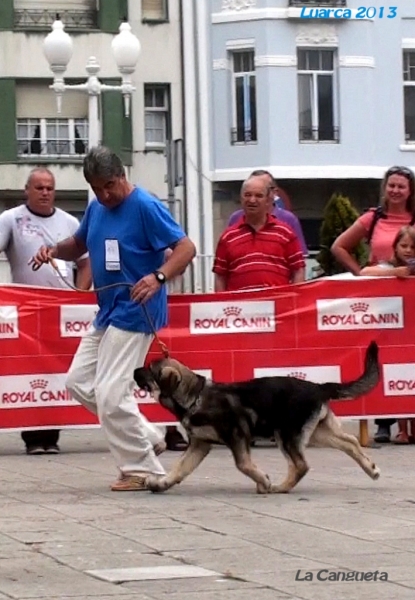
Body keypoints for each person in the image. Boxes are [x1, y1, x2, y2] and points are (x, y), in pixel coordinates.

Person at [31, 147, 196, 491]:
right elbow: (78, 244)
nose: (104, 194)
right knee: (78, 381)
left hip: (138, 311)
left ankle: (143, 469)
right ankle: (148, 436)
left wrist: (158, 278)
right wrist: (53, 250)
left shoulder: (146, 206)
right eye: (96, 188)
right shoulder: (97, 208)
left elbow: (186, 248)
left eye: (109, 185)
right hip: (108, 310)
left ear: (122, 176)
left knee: (110, 391)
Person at [0, 167, 92, 455]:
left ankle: (51, 435)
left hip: (61, 310)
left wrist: (80, 294)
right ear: (27, 190)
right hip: (26, 311)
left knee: (57, 372)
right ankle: (33, 437)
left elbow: (86, 262)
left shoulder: (68, 222)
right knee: (30, 371)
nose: (44, 192)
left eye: (49, 188)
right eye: (38, 187)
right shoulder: (10, 219)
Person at [331, 165, 415, 443]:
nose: (395, 190)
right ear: (385, 187)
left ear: (410, 190)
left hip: (411, 299)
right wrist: (359, 275)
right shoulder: (372, 217)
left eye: (401, 186)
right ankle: (383, 420)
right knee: (381, 354)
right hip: (379, 298)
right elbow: (338, 246)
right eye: (391, 185)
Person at [360, 225, 415, 445]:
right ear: (395, 247)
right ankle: (401, 430)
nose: (408, 250)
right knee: (399, 380)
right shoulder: (388, 266)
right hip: (394, 332)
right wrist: (395, 273)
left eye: (413, 247)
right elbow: (365, 272)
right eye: (403, 245)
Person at [213, 175, 305, 291]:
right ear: (241, 198)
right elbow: (220, 276)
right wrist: (221, 305)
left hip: (279, 306)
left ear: (268, 200)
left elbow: (298, 270)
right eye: (247, 195)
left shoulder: (285, 233)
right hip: (240, 307)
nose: (252, 200)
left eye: (258, 196)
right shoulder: (228, 237)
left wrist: (295, 301)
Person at [227, 170, 308, 256]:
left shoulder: (288, 220)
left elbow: (299, 259)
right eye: (249, 191)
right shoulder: (236, 218)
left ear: (274, 192)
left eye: (260, 191)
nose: (252, 199)